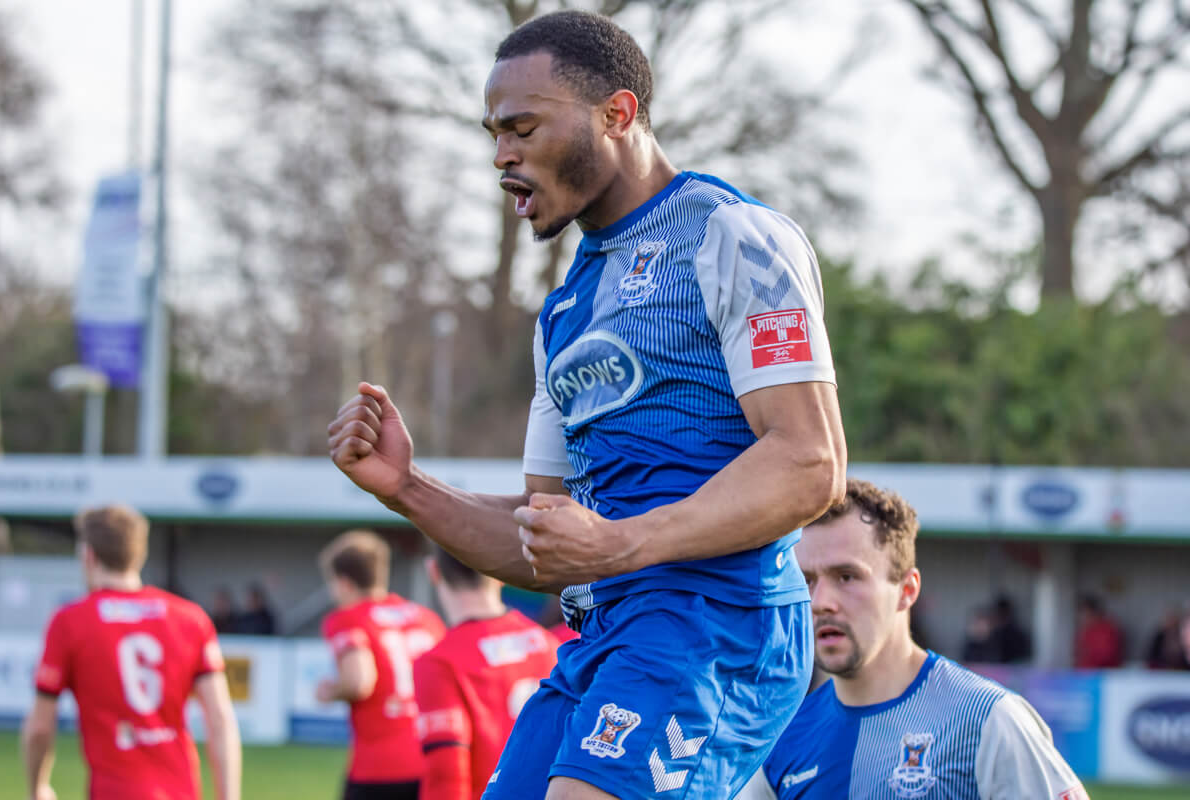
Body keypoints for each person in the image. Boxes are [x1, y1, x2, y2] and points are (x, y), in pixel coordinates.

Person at [328, 9, 846, 799]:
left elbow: (810, 464)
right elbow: (547, 543)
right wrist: (408, 488)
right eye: (493, 134)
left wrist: (621, 544)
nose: (502, 155)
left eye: (523, 128)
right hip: (603, 637)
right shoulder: (566, 308)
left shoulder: (734, 236)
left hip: (719, 628)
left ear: (618, 113)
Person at [740, 479, 1087, 800]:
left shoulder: (987, 719)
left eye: (846, 577)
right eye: (807, 581)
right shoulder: (780, 740)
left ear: (907, 591)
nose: (820, 602)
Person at [21, 505, 241, 800]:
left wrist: (38, 788)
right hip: (180, 792)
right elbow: (220, 719)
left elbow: (39, 728)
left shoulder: (70, 622)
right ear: (139, 554)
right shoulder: (191, 618)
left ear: (88, 555)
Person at [413, 548, 561, 800]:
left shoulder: (440, 662)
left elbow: (446, 776)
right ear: (499, 573)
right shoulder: (548, 643)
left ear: (433, 571)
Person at [316, 530, 447, 800]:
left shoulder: (348, 618)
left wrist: (332, 691)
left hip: (379, 768)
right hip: (433, 758)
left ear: (344, 583)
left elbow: (359, 681)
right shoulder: (426, 619)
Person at [1074, 594, 1124, 669]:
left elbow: (1106, 656)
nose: (1082, 617)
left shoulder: (1106, 629)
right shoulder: (1086, 630)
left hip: (1103, 675)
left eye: (1084, 612)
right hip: (1084, 674)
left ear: (1093, 612)